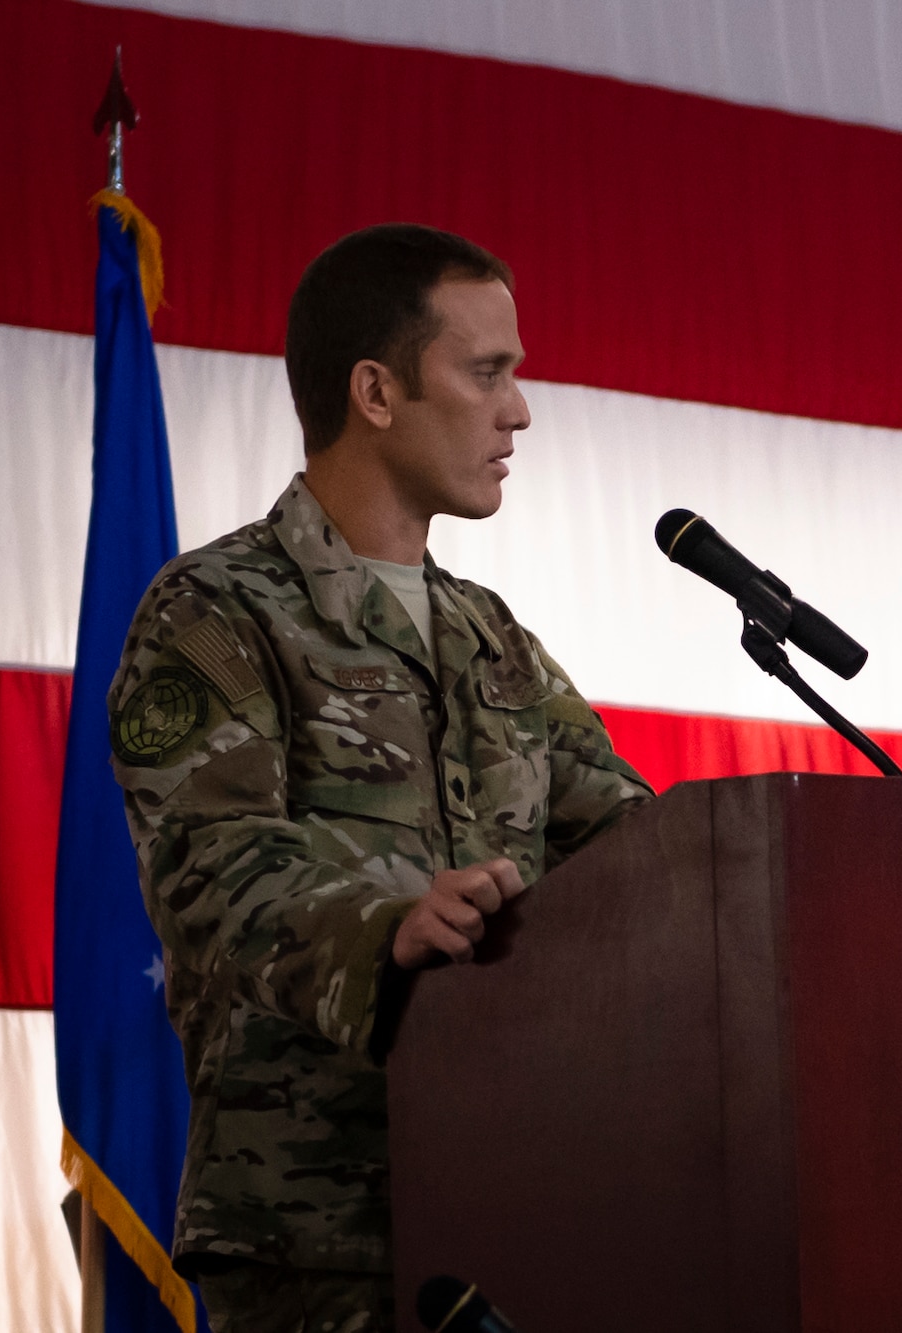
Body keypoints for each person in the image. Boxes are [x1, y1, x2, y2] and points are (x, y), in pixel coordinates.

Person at [108, 224, 654, 1332]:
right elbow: (210, 866)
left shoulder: (491, 637)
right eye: (486, 372)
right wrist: (387, 927)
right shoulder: (217, 609)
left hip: (516, 1203)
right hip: (317, 1224)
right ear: (375, 392)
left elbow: (635, 847)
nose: (518, 410)